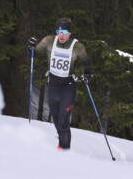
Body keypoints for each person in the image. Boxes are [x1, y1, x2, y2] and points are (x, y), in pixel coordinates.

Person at [27, 18, 93, 151]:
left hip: (68, 87)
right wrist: (30, 47)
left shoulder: (77, 47)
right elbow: (34, 53)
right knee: (57, 120)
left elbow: (87, 63)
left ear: (70, 32)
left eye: (64, 32)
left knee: (63, 119)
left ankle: (65, 149)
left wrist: (87, 74)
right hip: (53, 86)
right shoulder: (49, 41)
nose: (61, 35)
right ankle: (62, 145)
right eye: (58, 31)